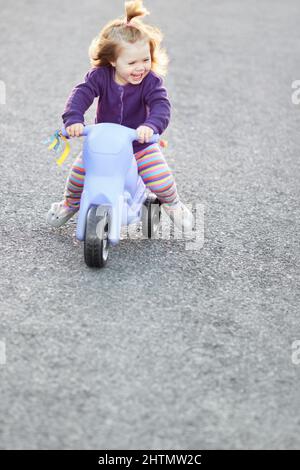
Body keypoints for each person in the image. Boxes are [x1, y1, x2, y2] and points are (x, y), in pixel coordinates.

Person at [46, 0, 194, 233]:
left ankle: (173, 204)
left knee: (160, 178)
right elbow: (81, 94)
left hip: (139, 143)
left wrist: (151, 126)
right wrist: (73, 119)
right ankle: (70, 204)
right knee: (78, 175)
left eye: (145, 60)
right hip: (103, 145)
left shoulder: (151, 82)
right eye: (132, 62)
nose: (140, 68)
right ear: (113, 61)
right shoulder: (100, 76)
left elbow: (160, 105)